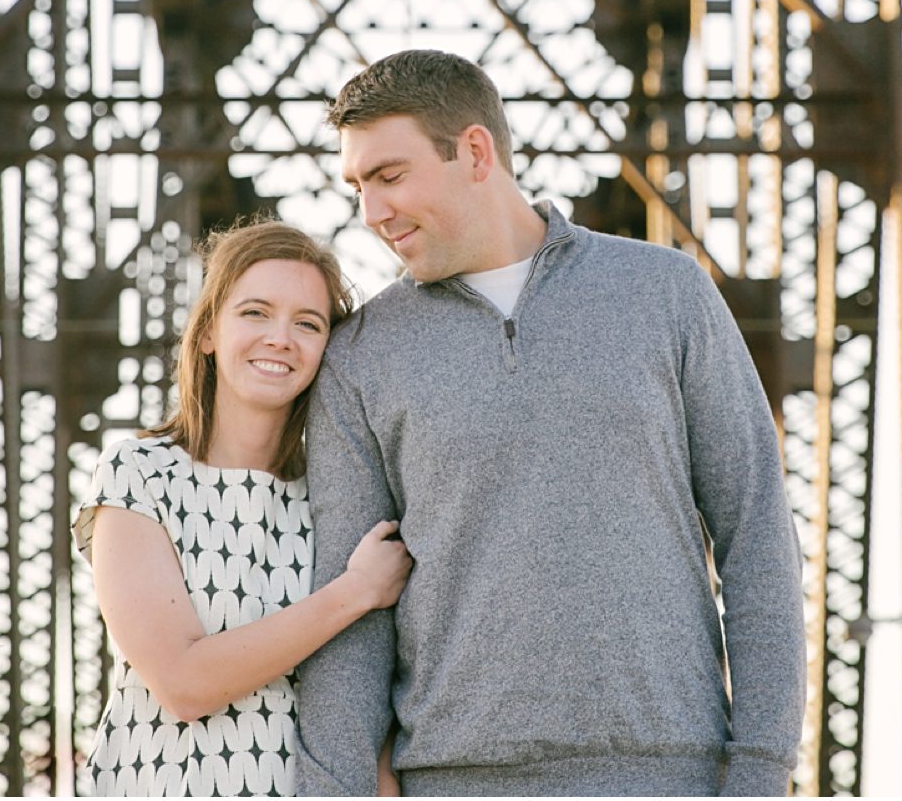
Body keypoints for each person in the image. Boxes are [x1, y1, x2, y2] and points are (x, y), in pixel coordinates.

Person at [297, 49, 807, 797]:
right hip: (455, 782)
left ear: (475, 151)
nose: (371, 213)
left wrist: (760, 773)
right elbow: (349, 618)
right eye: (357, 185)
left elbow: (757, 534)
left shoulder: (665, 294)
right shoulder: (363, 355)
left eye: (389, 176)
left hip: (671, 776)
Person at [73, 220, 414, 798]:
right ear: (207, 332)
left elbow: (377, 702)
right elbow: (182, 683)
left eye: (308, 324)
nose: (280, 337)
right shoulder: (139, 475)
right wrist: (354, 593)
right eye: (255, 313)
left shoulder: (342, 496)